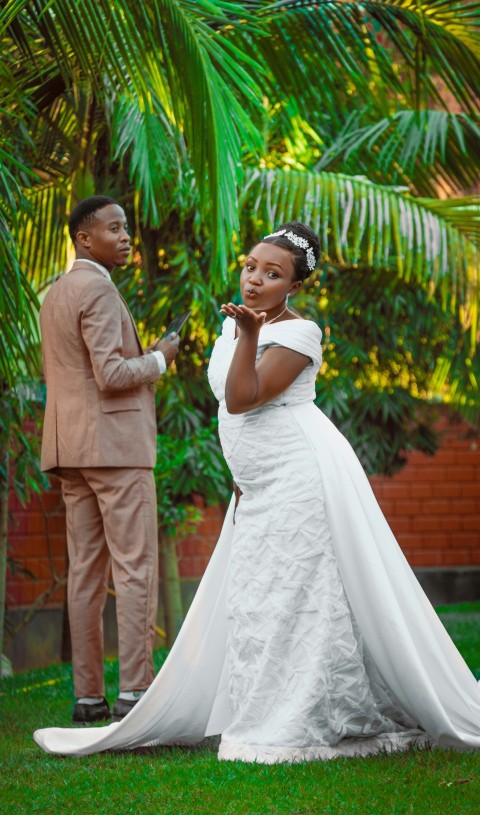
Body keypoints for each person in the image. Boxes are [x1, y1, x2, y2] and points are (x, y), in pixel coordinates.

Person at [34, 221, 480, 760]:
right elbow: (230, 409)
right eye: (251, 267)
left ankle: (307, 710)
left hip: (301, 475)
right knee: (259, 593)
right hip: (258, 483)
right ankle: (262, 703)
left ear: (294, 287)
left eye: (273, 274)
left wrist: (249, 335)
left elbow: (243, 398)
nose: (255, 279)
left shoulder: (299, 333)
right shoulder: (234, 326)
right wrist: (241, 475)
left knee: (299, 592)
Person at [39, 195, 179, 724]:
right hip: (115, 450)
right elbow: (111, 374)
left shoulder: (57, 292)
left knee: (86, 574)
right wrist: (161, 357)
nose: (126, 237)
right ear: (84, 237)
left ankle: (88, 697)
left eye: (126, 228)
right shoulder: (96, 289)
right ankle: (136, 694)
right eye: (114, 228)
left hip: (69, 449)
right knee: (136, 568)